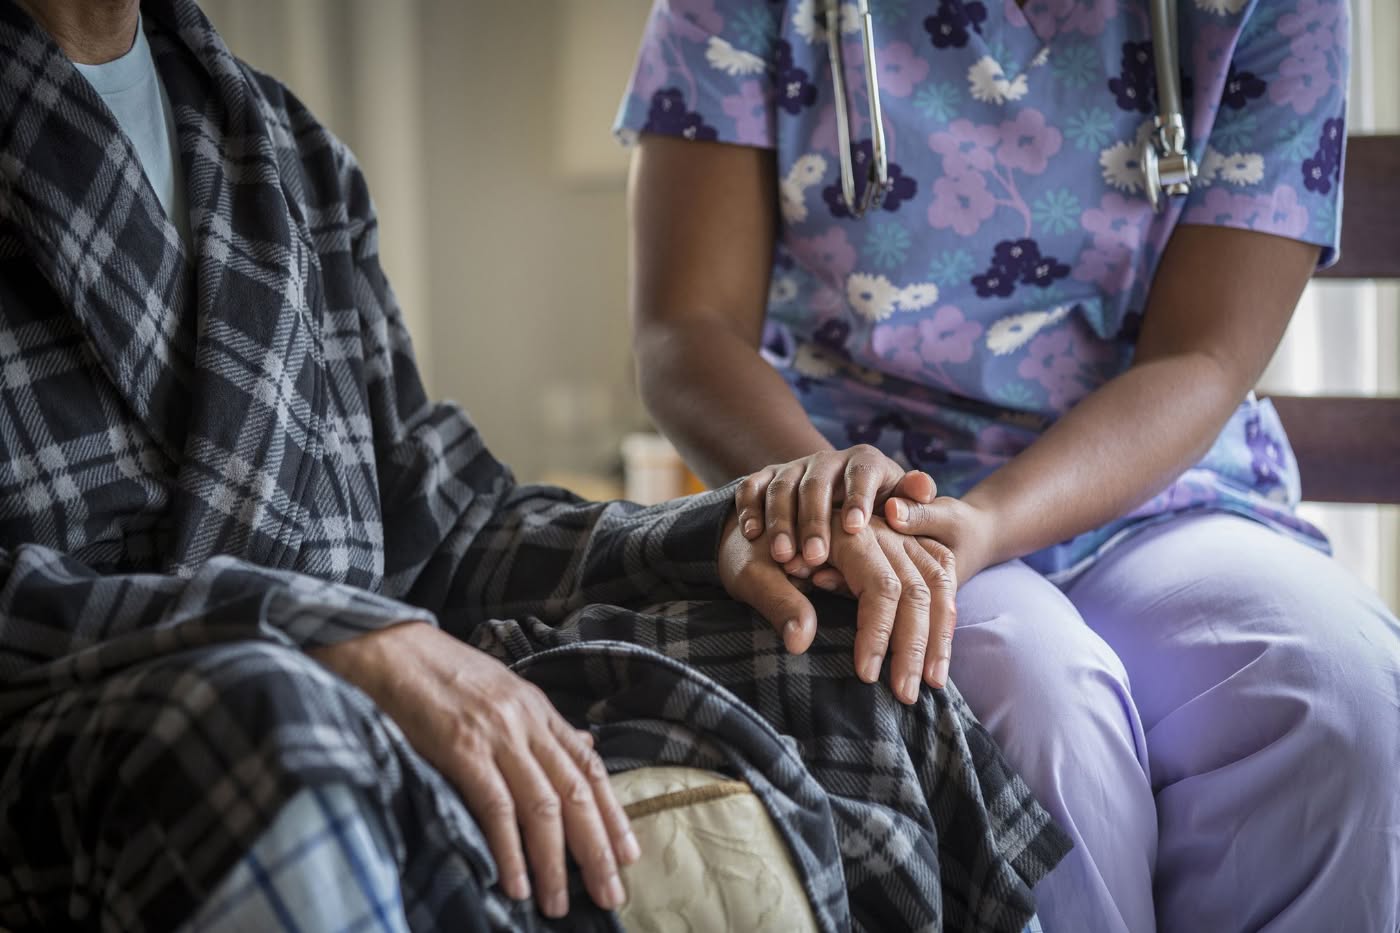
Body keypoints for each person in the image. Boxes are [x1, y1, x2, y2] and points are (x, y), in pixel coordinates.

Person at [0, 1, 1074, 931]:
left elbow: (455, 523)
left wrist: (718, 532)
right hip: (123, 716)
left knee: (827, 639)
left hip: (363, 666)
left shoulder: (278, 147)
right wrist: (327, 638)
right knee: (254, 720)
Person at [619, 1, 1400, 931]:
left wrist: (992, 519)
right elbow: (687, 328)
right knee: (1034, 708)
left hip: (1162, 486)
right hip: (881, 502)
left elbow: (1204, 355)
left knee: (1341, 702)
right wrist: (832, 493)